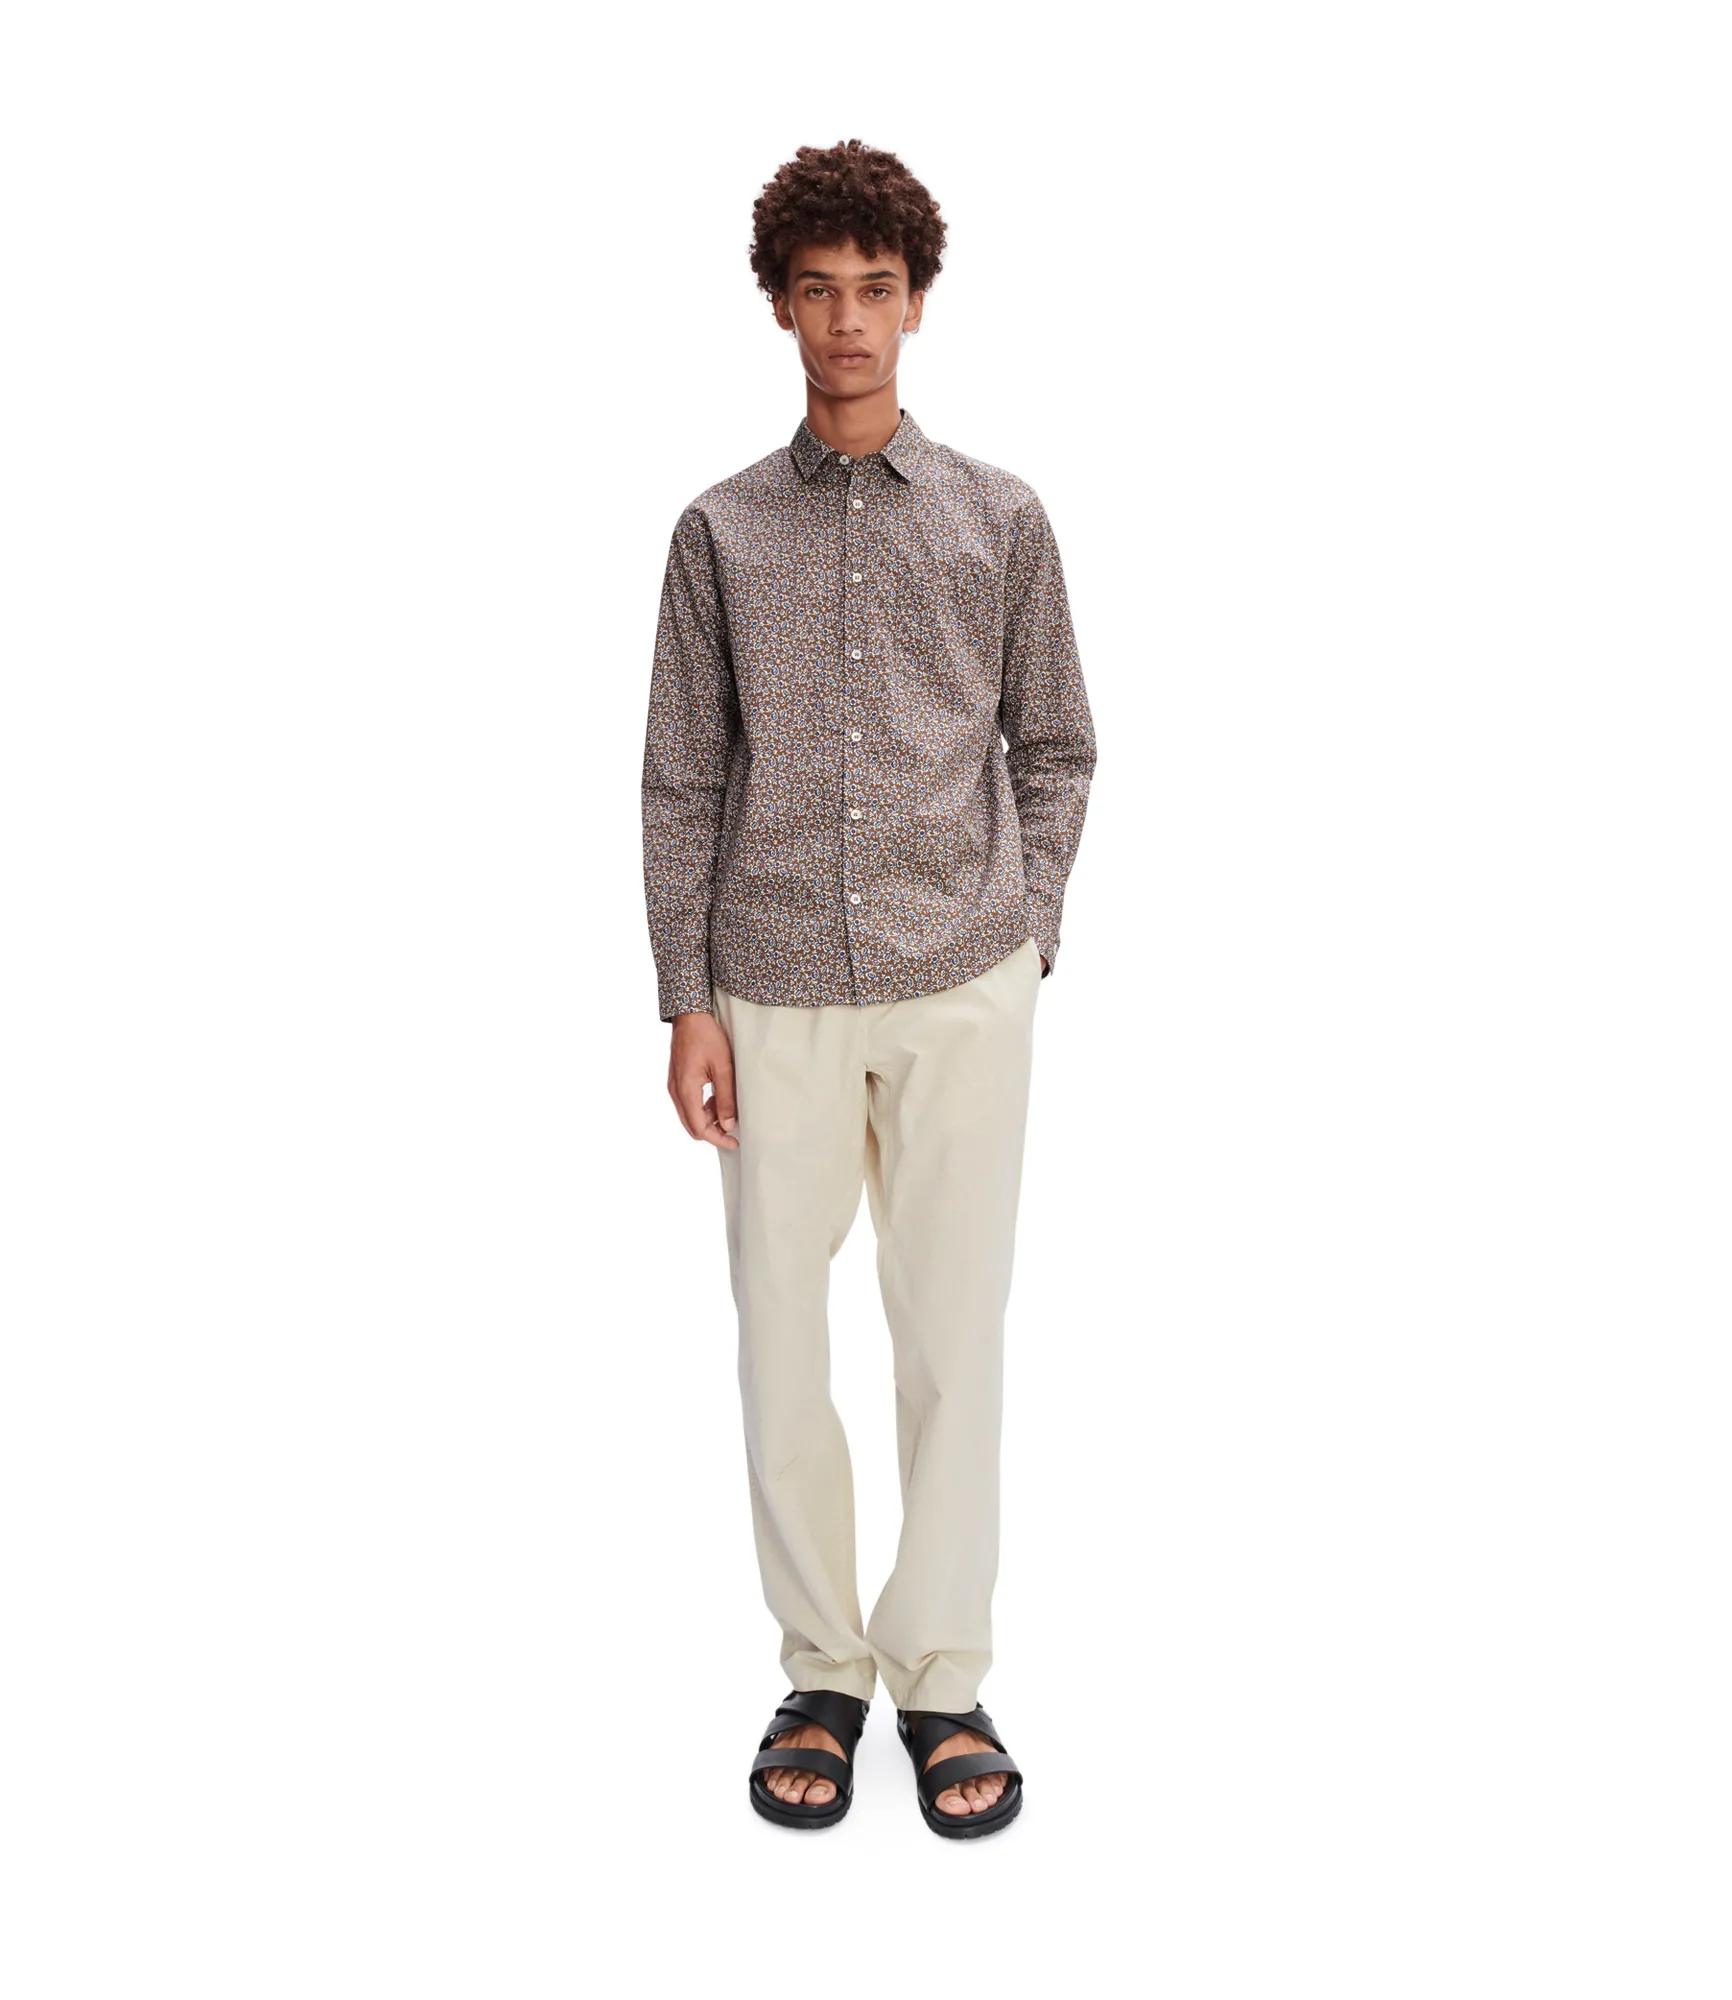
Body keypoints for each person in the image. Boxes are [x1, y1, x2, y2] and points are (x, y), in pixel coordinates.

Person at [640, 138, 1097, 1837]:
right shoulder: (716, 532)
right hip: (769, 984)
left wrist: (1026, 932)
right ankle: (823, 1667)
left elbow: (1055, 742)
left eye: (876, 290)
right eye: (819, 290)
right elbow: (683, 774)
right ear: (779, 306)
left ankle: (943, 1674)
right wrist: (687, 994)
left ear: (917, 303)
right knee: (781, 1338)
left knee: (951, 1335)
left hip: (962, 975)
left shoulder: (1001, 518)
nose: (848, 320)